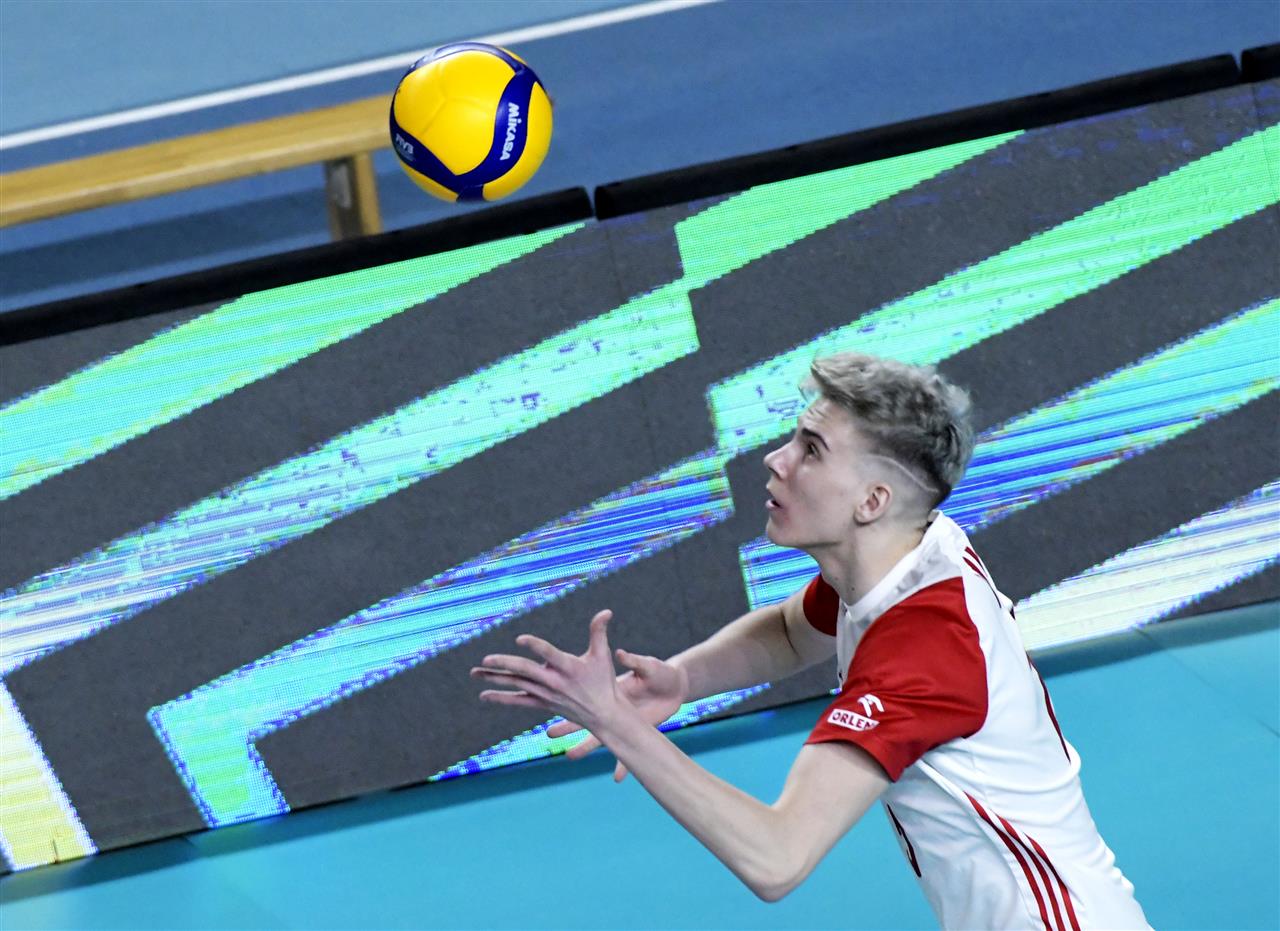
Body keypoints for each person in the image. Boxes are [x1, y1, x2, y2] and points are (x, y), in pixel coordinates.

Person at [473, 352, 1149, 930]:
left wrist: (613, 720)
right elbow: (794, 632)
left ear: (872, 501)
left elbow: (777, 856)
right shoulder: (906, 552)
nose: (777, 460)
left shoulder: (924, 650)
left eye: (811, 450)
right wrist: (683, 680)